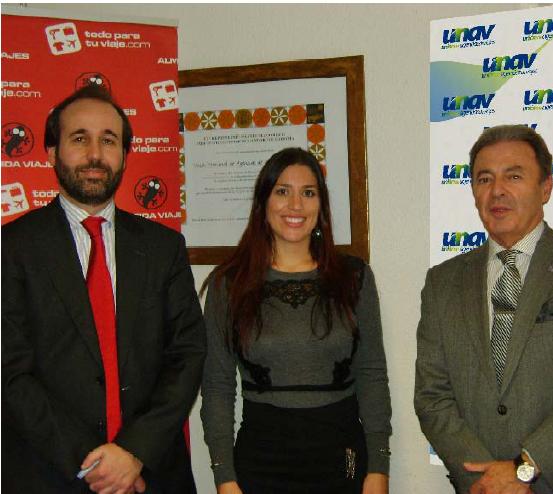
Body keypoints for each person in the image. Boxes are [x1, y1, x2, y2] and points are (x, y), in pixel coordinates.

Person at [2, 85, 207, 494]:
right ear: (51, 152)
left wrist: (134, 452)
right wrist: (96, 463)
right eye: (79, 139)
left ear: (125, 155)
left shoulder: (163, 248)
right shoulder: (12, 248)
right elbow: (9, 371)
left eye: (109, 140)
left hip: (151, 473)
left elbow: (187, 354)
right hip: (49, 473)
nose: (95, 154)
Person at [414, 124, 553, 494]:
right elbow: (432, 398)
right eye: (484, 178)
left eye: (514, 176)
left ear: (545, 187)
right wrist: (488, 480)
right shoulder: (442, 282)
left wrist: (523, 469)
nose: (497, 190)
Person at [201, 147, 392, 494]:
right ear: (263, 202)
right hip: (261, 463)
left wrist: (379, 467)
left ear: (321, 205)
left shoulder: (354, 277)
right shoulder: (228, 284)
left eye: (308, 193)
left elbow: (372, 373)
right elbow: (217, 385)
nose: (295, 205)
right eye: (282, 191)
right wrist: (223, 477)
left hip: (341, 459)